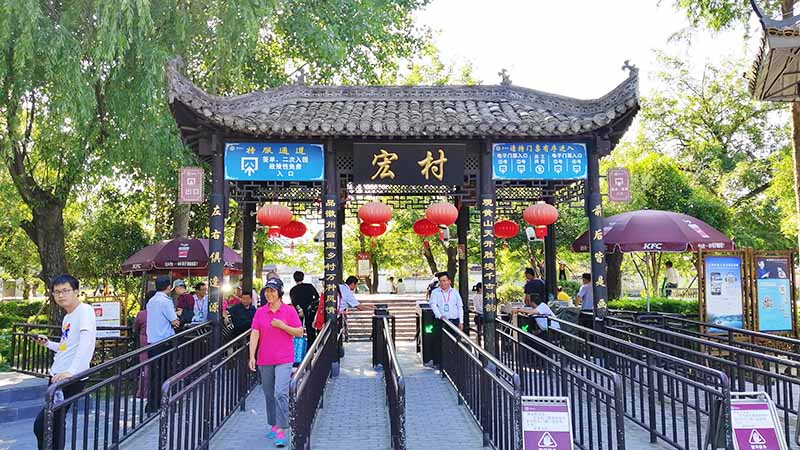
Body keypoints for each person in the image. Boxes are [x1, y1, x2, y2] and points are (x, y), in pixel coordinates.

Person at [33, 274, 97, 450]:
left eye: (65, 291)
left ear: (76, 291)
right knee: (54, 423)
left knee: (43, 424)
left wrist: (71, 372)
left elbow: (86, 343)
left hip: (69, 378)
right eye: (57, 292)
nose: (61, 295)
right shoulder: (68, 317)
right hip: (58, 375)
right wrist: (48, 344)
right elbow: (65, 347)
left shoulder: (85, 311)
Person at [249, 278, 303, 448]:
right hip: (264, 359)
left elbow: (299, 332)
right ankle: (273, 424)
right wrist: (252, 356)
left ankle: (281, 430)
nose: (269, 294)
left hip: (284, 359)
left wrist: (282, 326)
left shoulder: (289, 311)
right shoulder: (260, 312)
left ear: (279, 293)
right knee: (268, 393)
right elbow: (255, 334)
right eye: (267, 291)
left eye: (272, 291)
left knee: (280, 392)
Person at [145, 276, 180, 413]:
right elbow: (174, 321)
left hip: (152, 341)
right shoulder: (166, 301)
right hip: (164, 341)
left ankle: (151, 403)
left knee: (154, 373)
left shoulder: (151, 301)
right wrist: (178, 319)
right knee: (164, 373)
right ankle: (160, 402)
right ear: (168, 287)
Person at [289, 271, 320, 348]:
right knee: (311, 330)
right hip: (310, 311)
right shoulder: (309, 286)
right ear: (303, 277)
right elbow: (317, 297)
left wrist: (300, 310)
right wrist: (310, 305)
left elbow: (294, 302)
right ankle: (312, 347)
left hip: (299, 312)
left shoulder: (293, 290)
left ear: (294, 279)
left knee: (298, 329)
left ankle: (299, 347)